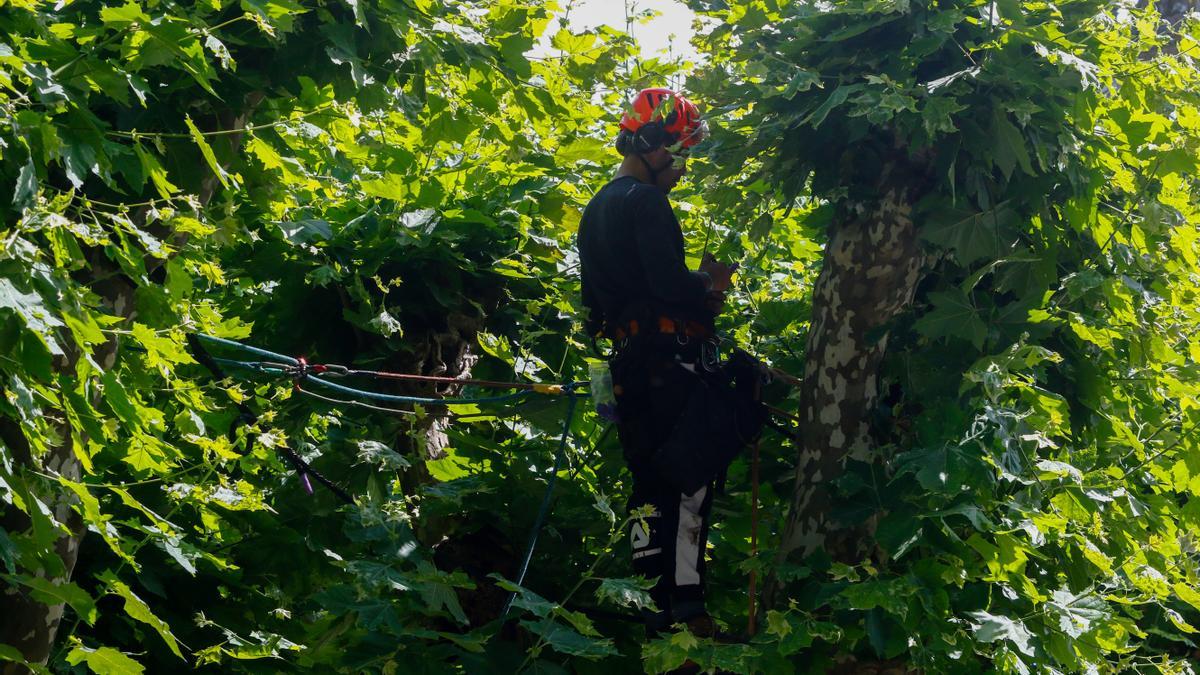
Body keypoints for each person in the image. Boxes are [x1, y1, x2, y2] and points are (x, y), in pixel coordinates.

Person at [577, 88, 764, 639]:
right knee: (688, 481)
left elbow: (596, 301)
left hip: (630, 367)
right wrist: (708, 284)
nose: (681, 169)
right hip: (668, 363)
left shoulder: (596, 210)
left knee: (650, 482)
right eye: (677, 154)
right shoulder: (645, 202)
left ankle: (650, 603)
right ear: (651, 144)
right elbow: (667, 283)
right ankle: (687, 611)